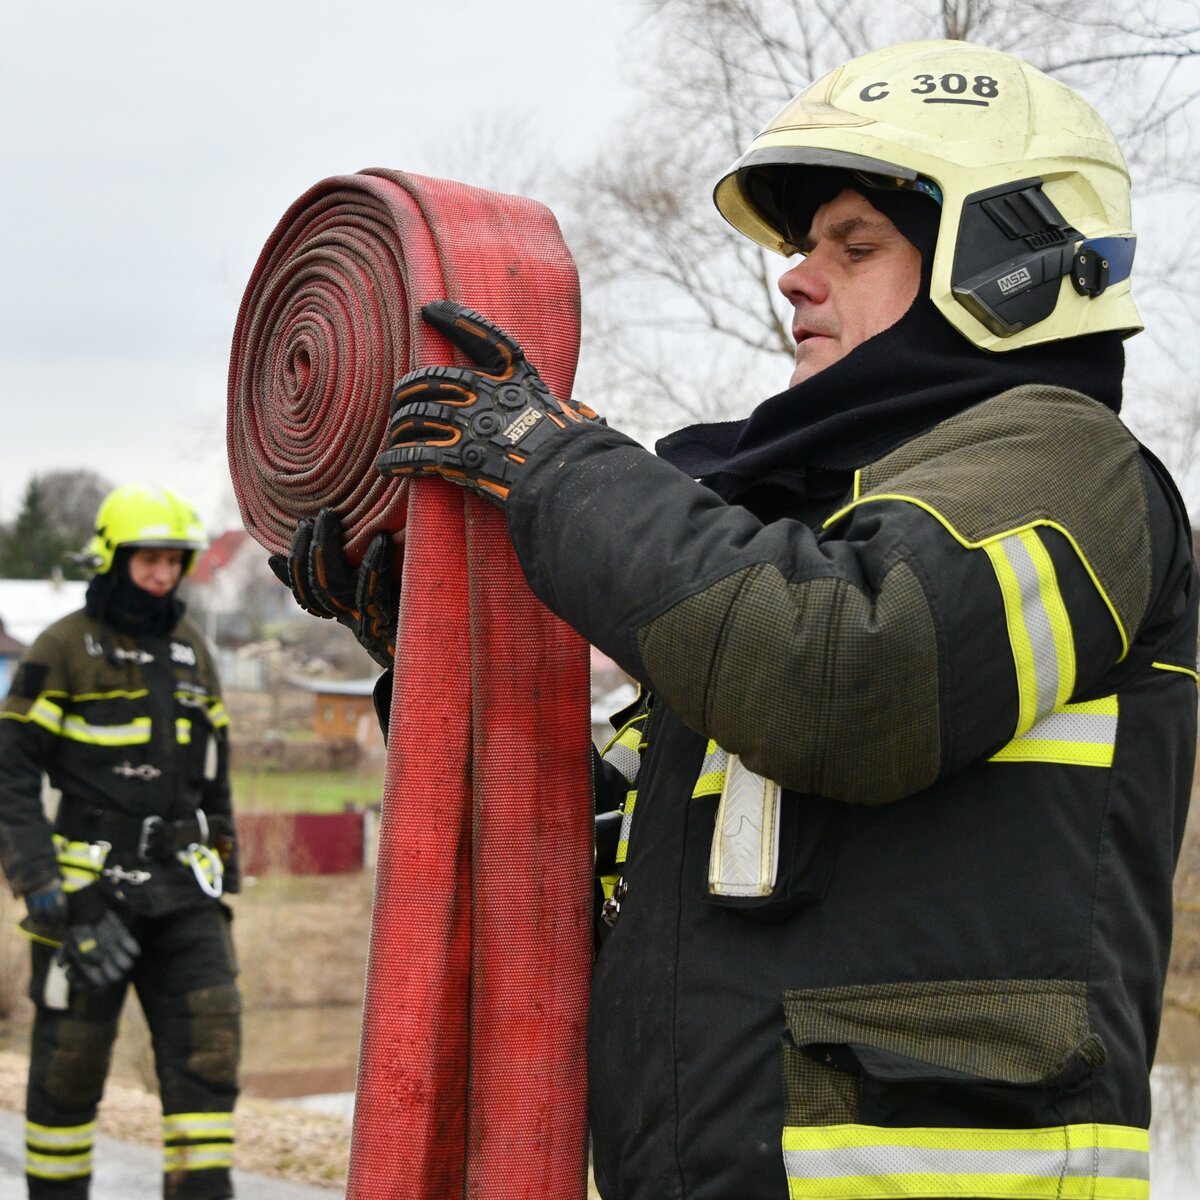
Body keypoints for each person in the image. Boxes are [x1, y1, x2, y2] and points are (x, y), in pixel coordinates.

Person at [281, 39, 1198, 1200]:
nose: (795, 278)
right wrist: (431, 666)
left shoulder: (1072, 469)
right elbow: (579, 860)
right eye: (804, 246)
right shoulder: (804, 547)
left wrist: (555, 468)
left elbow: (847, 679)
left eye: (852, 245)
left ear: (1007, 264)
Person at [0, 483, 241, 1200]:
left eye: (174, 561)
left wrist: (224, 881)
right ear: (112, 559)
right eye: (148, 560)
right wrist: (46, 890)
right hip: (86, 898)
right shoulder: (63, 646)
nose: (163, 574)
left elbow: (215, 779)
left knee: (211, 1056)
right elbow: (10, 772)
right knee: (66, 1075)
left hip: (184, 898)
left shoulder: (193, 650)